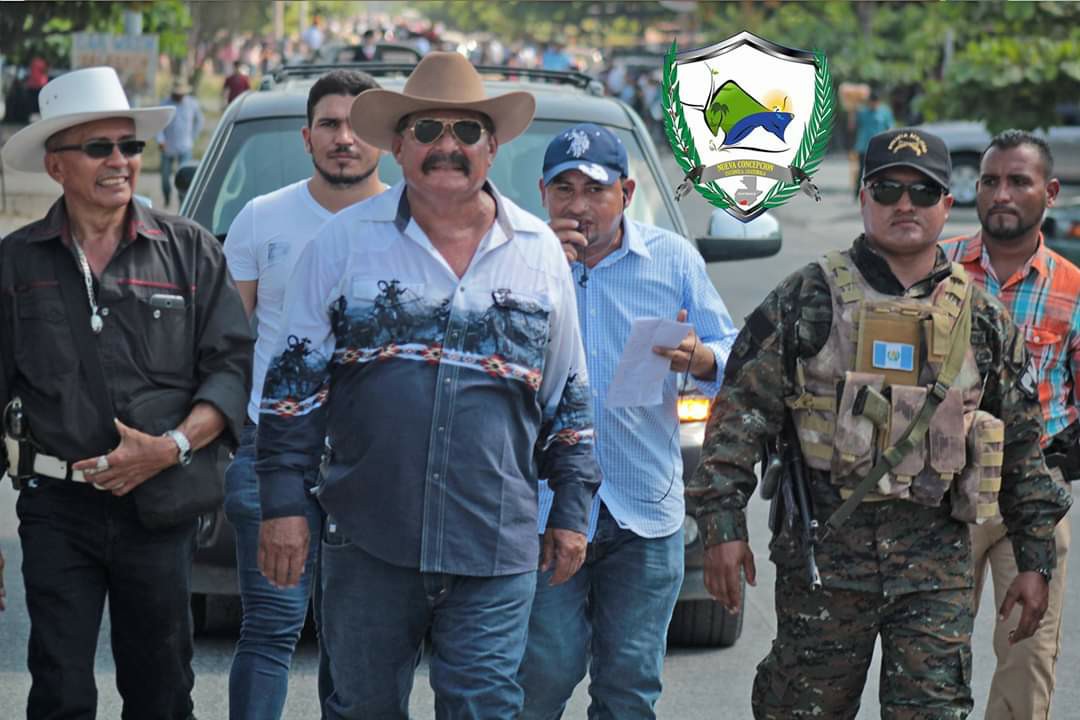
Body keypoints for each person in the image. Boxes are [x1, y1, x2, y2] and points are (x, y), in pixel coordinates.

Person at [255, 52, 599, 718]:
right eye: (429, 131)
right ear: (399, 144)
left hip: (494, 543)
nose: (449, 147)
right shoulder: (342, 243)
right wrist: (283, 504)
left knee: (484, 708)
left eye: (467, 132)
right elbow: (292, 383)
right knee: (362, 708)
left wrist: (573, 510)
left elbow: (569, 393)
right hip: (369, 539)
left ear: (493, 147)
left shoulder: (537, 253)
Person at [688, 127, 1072, 718]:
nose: (905, 205)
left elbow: (1022, 448)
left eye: (923, 193)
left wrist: (1034, 561)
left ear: (948, 204)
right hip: (824, 558)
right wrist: (722, 527)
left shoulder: (984, 319)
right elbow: (739, 417)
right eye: (888, 188)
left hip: (936, 568)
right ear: (864, 195)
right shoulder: (806, 298)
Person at [0, 66, 252, 720]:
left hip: (160, 510)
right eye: (99, 148)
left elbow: (231, 367)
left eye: (130, 146)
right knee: (59, 691)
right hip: (56, 508)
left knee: (163, 691)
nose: (121, 161)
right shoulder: (16, 262)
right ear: (56, 166)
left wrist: (170, 447)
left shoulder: (189, 251)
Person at [517, 123, 739, 719]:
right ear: (542, 194)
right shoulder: (518, 260)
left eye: (595, 190)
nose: (578, 206)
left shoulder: (671, 259)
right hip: (543, 507)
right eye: (563, 190)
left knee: (630, 684)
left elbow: (732, 346)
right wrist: (546, 272)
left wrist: (704, 356)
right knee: (543, 672)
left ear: (627, 191)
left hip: (644, 504)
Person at [222, 69, 387, 720]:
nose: (343, 137)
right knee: (271, 626)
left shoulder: (411, 222)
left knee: (356, 642)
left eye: (356, 124)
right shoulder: (263, 218)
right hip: (273, 450)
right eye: (328, 124)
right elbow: (228, 351)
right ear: (306, 136)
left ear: (381, 135)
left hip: (375, 458)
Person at [941, 130, 1078, 720]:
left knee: (1028, 660)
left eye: (1018, 181)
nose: (1001, 193)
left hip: (1032, 501)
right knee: (929, 655)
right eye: (990, 180)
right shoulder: (935, 267)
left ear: (1048, 192)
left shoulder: (1073, 290)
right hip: (940, 495)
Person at [156, 77, 204, 208]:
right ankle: (167, 198)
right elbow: (158, 125)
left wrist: (193, 137)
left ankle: (183, 204)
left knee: (183, 178)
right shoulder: (164, 104)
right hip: (168, 146)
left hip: (185, 146)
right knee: (165, 178)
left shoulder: (192, 104)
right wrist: (160, 140)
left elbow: (199, 121)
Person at [851, 90, 895, 199]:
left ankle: (876, 192)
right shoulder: (862, 112)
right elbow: (852, 126)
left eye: (875, 102)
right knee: (862, 171)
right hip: (864, 146)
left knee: (878, 171)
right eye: (871, 102)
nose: (873, 104)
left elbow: (890, 127)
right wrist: (851, 112)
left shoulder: (885, 112)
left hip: (879, 147)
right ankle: (857, 193)